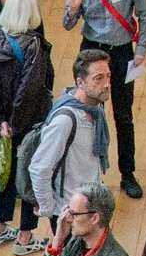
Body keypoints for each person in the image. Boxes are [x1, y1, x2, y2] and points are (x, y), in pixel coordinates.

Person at [62, 0, 146, 197]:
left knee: (123, 114)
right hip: (91, 51)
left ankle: (128, 174)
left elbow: (145, 16)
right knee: (89, 115)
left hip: (122, 53)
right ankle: (92, 175)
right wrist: (73, 8)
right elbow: (67, 25)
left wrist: (141, 50)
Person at [0, 0, 54, 252]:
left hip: (0, 123)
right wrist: (16, 122)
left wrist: (1, 120)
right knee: (29, 173)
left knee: (4, 172)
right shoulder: (34, 45)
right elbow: (29, 90)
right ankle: (25, 236)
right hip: (29, 122)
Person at [27, 50, 112, 226]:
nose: (106, 84)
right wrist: (49, 210)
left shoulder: (96, 110)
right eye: (98, 78)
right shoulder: (65, 121)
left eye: (108, 77)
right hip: (70, 215)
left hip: (92, 207)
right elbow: (39, 168)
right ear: (80, 82)